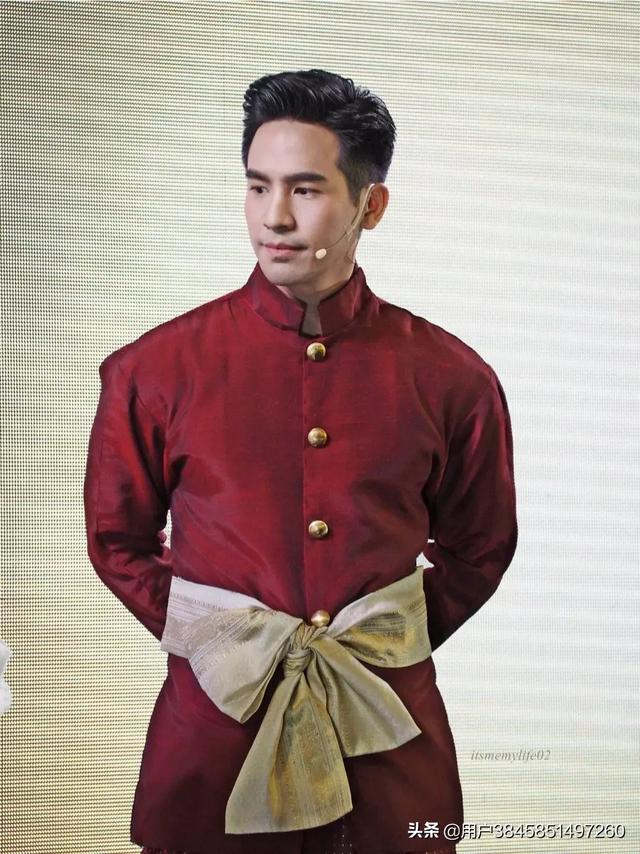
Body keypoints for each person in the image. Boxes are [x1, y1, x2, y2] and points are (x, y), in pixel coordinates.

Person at [83, 69, 518, 854]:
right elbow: (117, 539)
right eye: (258, 186)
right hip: (210, 749)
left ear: (370, 205)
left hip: (392, 755)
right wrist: (221, 641)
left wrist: (382, 643)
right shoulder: (153, 371)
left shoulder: (452, 378)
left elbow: (482, 545)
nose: (274, 217)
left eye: (306, 189)